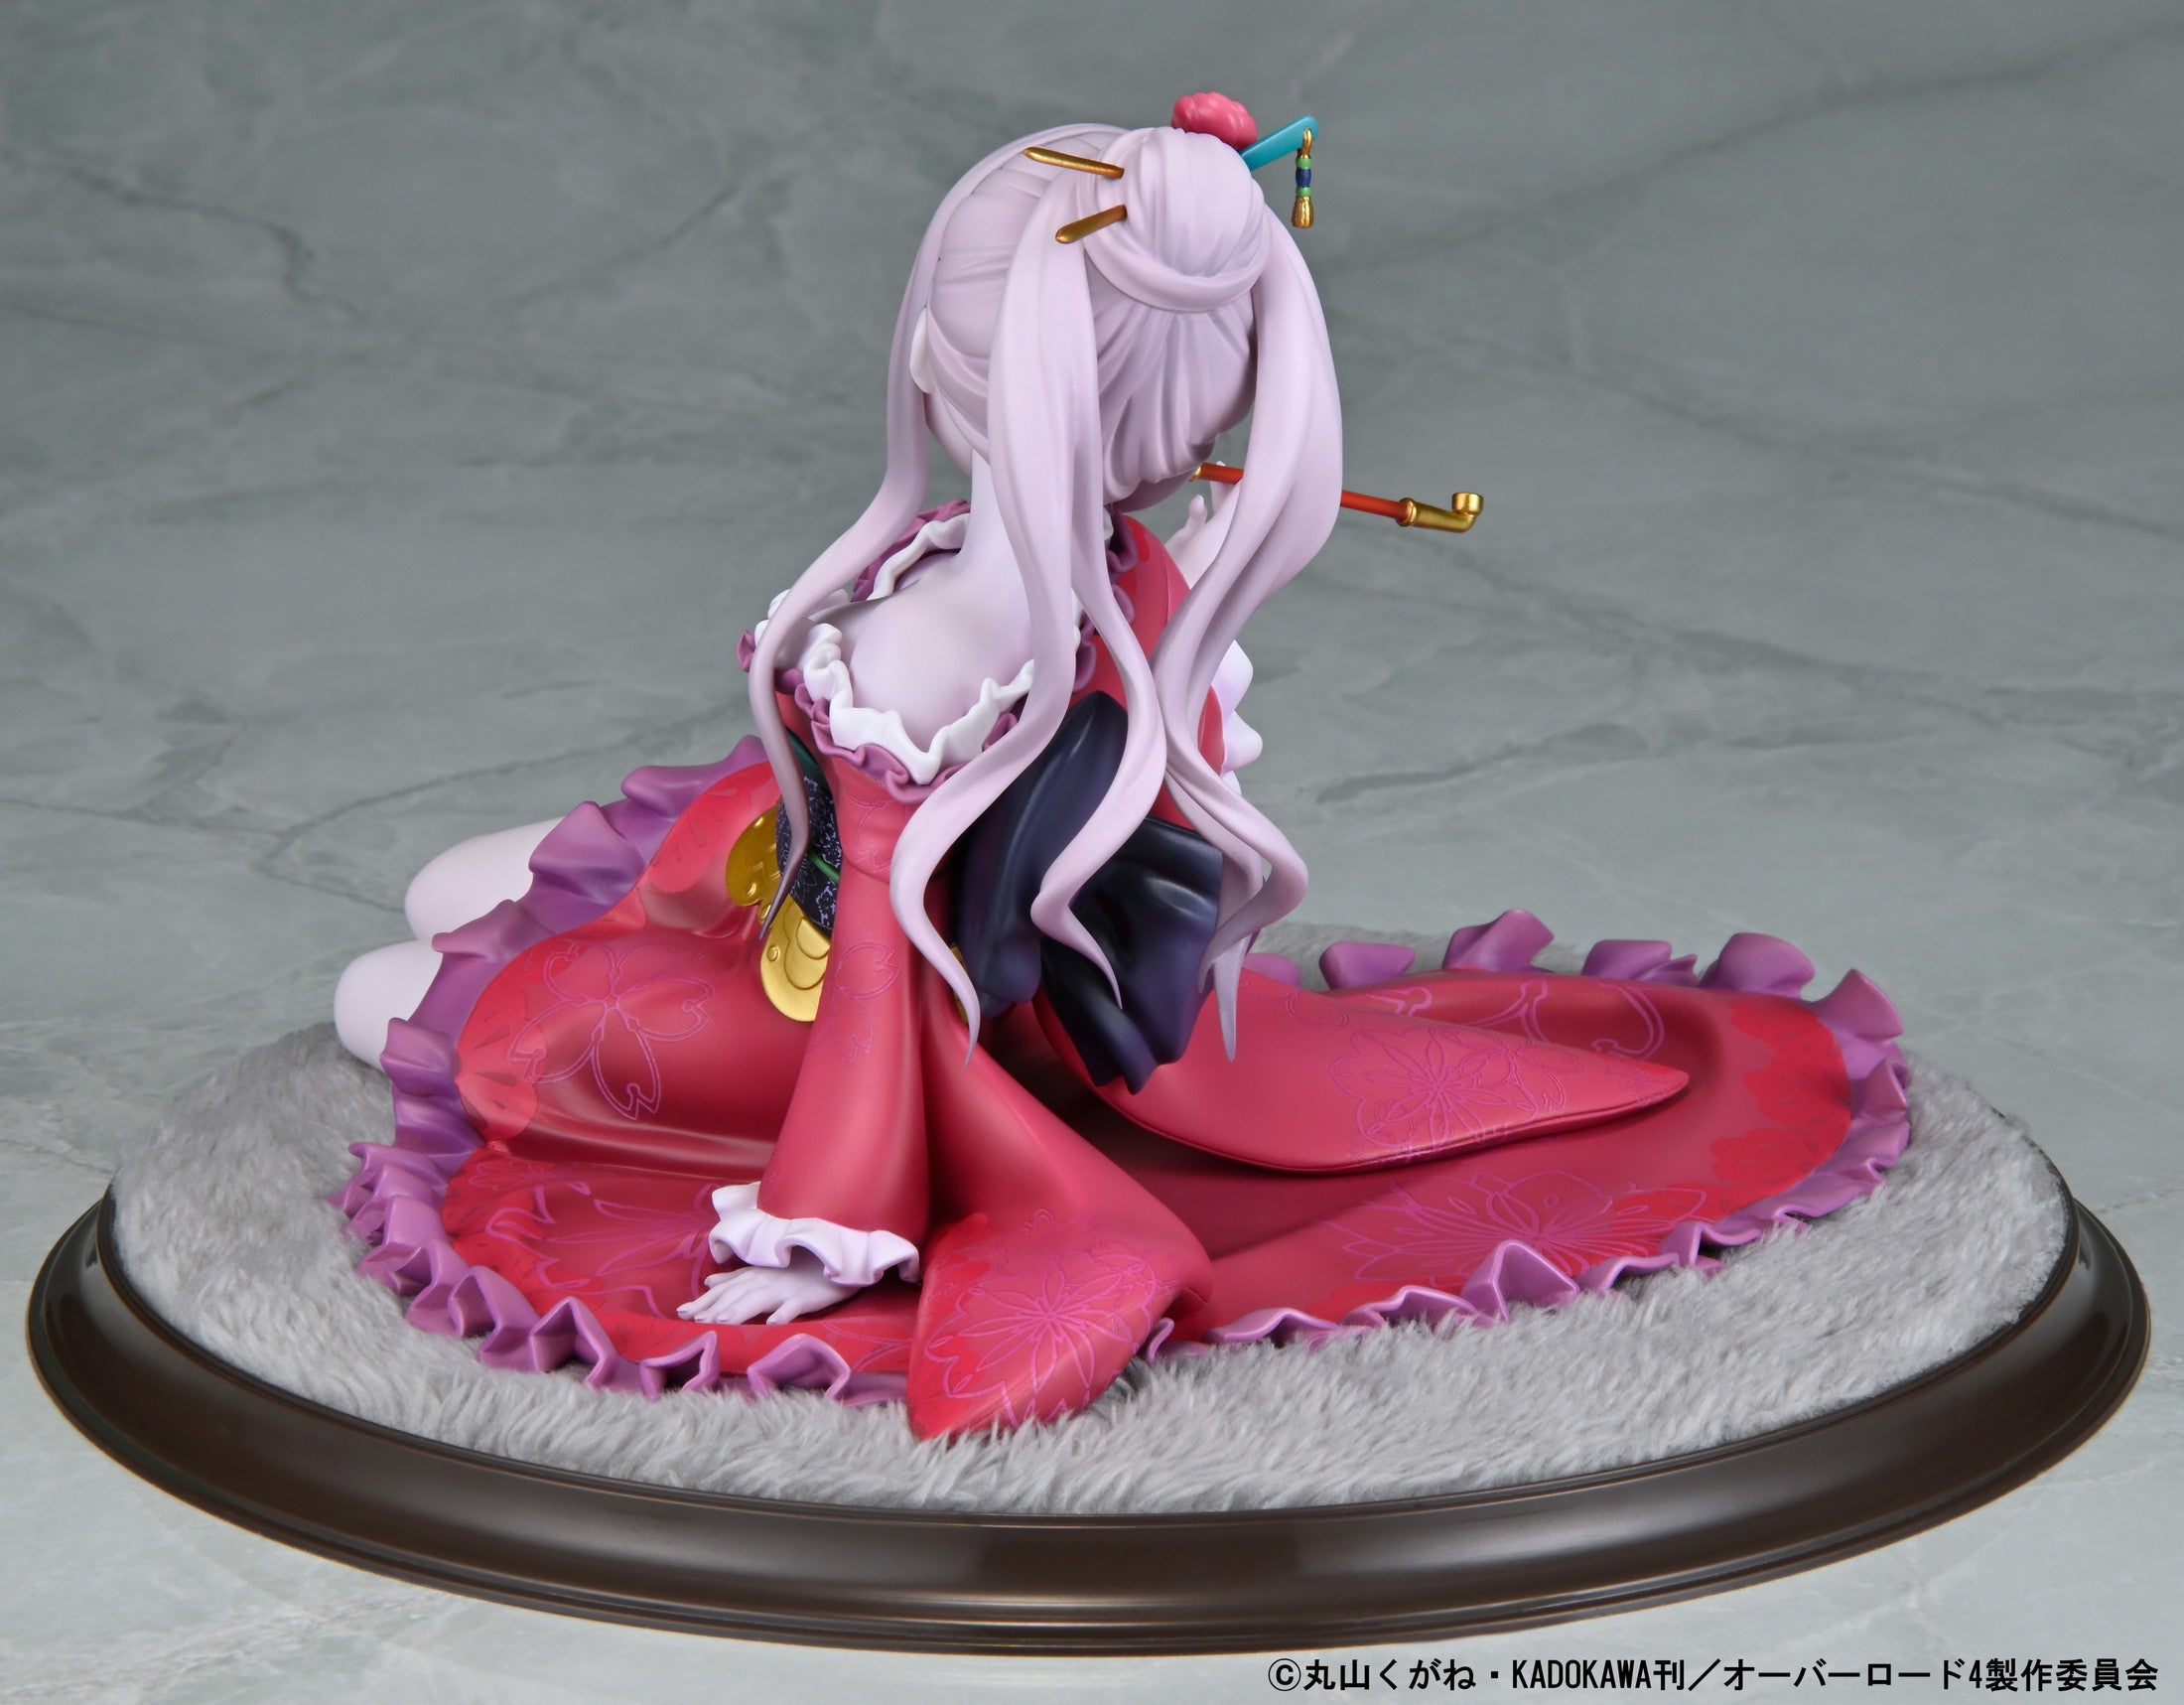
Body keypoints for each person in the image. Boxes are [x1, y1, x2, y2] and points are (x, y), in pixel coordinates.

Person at [334, 100, 1907, 1438]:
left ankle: (623, 1014)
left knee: (458, 1012)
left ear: (946, 364)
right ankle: (628, 937)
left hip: (883, 1005)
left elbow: (881, 981)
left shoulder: (926, 649)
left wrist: (831, 1217)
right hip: (836, 894)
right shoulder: (1139, 574)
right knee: (498, 887)